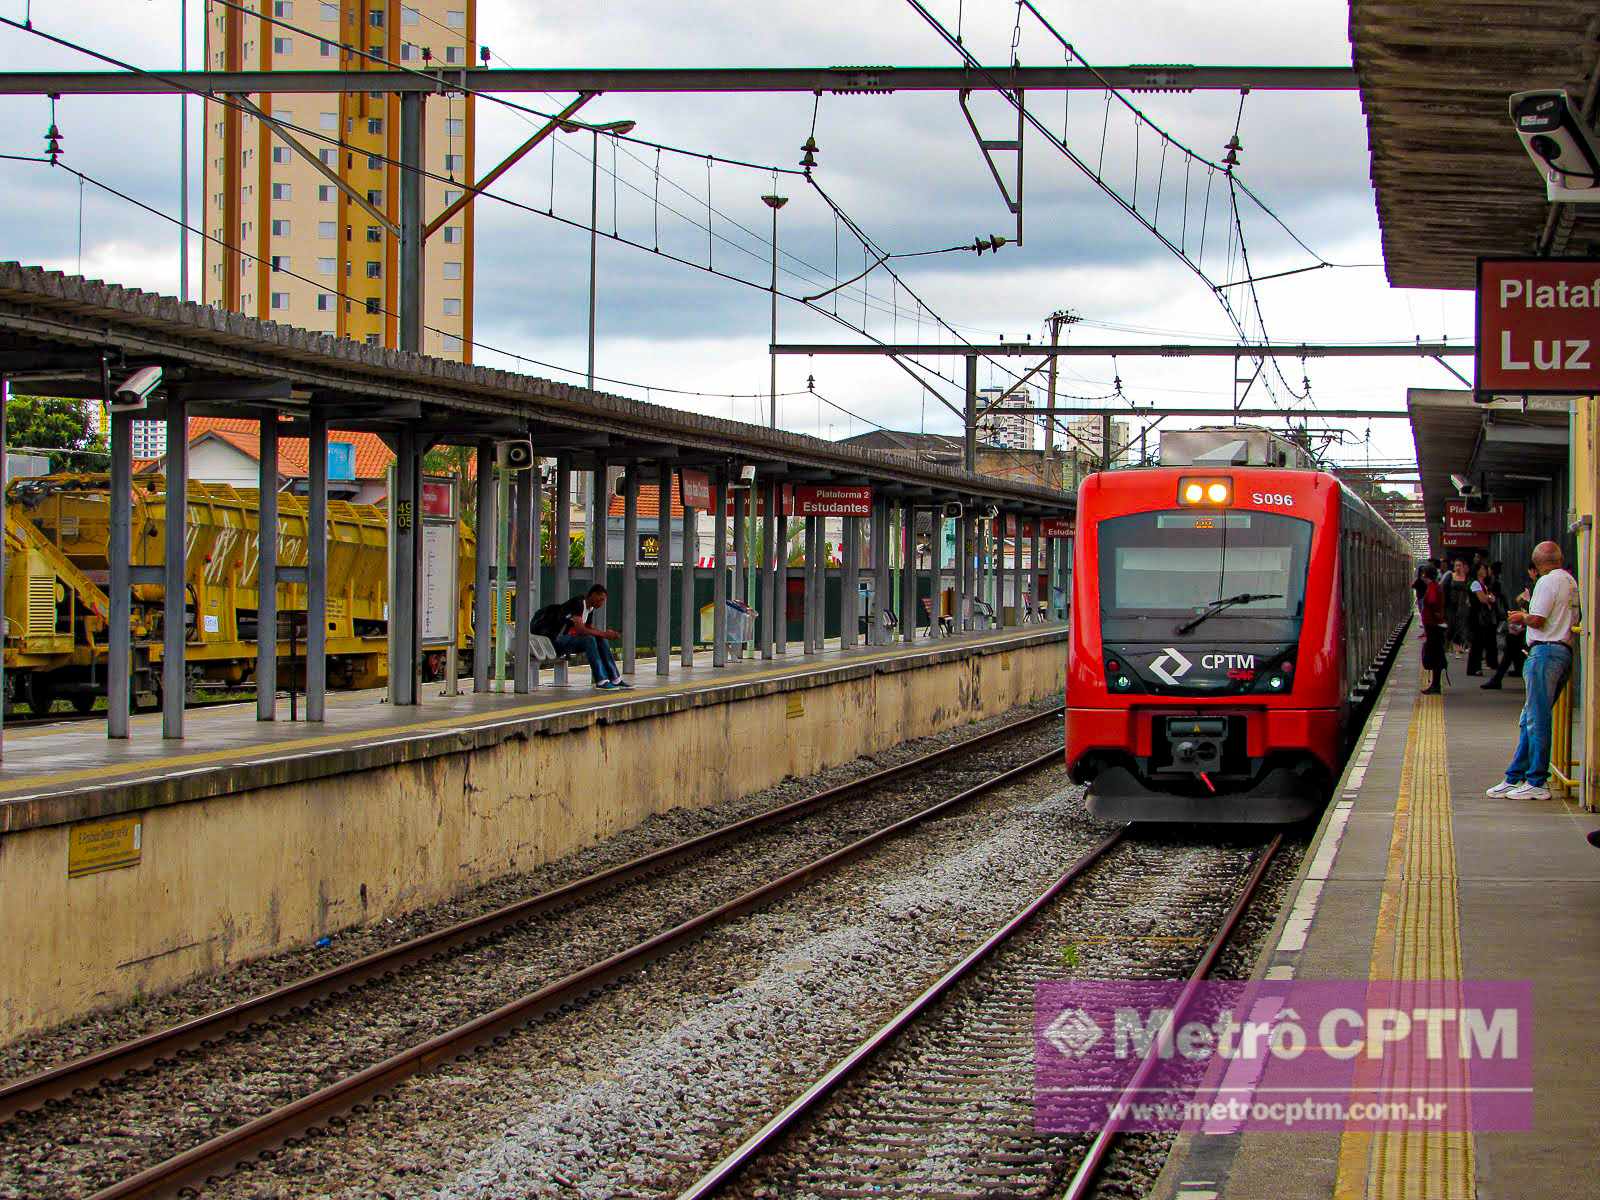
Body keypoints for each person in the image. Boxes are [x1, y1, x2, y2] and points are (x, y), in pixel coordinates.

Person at [1486, 541, 1580, 801]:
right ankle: (1514, 776)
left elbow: (1537, 619)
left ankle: (1537, 781)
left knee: (1536, 720)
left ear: (1536, 564)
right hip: (1561, 651)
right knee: (1531, 717)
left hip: (1545, 653)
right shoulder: (1570, 582)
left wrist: (1520, 617)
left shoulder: (1546, 582)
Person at [536, 584, 632, 690]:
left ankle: (615, 679)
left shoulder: (590, 609)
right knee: (589, 640)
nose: (601, 603)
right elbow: (581, 629)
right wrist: (605, 634)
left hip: (568, 641)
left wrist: (605, 634)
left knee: (599, 639)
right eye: (600, 600)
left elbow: (589, 628)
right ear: (593, 595)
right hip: (555, 642)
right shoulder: (578, 603)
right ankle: (601, 680)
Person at [1482, 561, 1535, 690]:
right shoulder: (1536, 585)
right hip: (1529, 626)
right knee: (1512, 646)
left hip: (1532, 627)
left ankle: (1498, 678)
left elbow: (1527, 605)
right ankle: (1505, 674)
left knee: (1512, 644)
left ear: (1533, 570)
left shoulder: (1537, 585)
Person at [1466, 562, 1501, 677]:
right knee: (1477, 643)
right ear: (1477, 571)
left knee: (1479, 643)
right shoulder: (1475, 583)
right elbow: (1482, 599)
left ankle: (1475, 668)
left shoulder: (1482, 584)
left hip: (1482, 617)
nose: (1485, 570)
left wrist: (1489, 598)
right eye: (1482, 568)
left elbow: (1489, 598)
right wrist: (1489, 598)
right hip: (1477, 617)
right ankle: (1473, 668)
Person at [1419, 564, 1447, 694]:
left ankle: (1435, 686)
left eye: (1423, 573)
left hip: (1434, 627)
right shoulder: (1434, 586)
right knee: (1436, 655)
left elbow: (1432, 601)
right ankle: (1435, 685)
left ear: (1426, 575)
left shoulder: (1433, 587)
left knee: (1435, 655)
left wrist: (1433, 615)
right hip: (1434, 626)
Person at [1443, 558, 1473, 655]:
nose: (1458, 567)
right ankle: (1447, 645)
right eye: (1456, 565)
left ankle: (1458, 646)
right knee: (1451, 625)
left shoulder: (1467, 578)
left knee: (1461, 625)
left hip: (1463, 605)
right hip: (1451, 605)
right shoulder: (1450, 576)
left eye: (1460, 565)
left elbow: (1470, 590)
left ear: (1463, 567)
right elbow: (1444, 589)